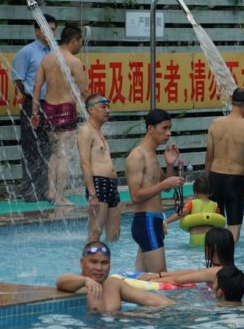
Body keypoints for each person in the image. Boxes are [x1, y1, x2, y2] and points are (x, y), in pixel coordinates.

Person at [31, 24, 89, 205]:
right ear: (74, 40)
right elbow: (84, 91)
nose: (81, 46)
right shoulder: (74, 62)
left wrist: (34, 112)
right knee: (64, 154)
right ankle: (60, 197)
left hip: (48, 107)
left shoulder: (47, 59)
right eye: (81, 42)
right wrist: (88, 112)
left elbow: (36, 87)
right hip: (66, 107)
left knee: (55, 152)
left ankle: (51, 190)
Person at [125, 109, 185, 273]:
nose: (169, 133)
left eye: (169, 128)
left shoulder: (152, 154)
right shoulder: (137, 156)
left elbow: (166, 188)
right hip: (146, 221)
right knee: (161, 277)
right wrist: (165, 184)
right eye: (164, 128)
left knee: (143, 279)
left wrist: (170, 164)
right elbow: (135, 196)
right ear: (150, 129)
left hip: (154, 220)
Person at [205, 87, 244, 243]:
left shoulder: (215, 124)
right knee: (234, 228)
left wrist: (206, 182)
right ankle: (230, 255)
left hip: (215, 178)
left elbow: (209, 157)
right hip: (234, 181)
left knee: (216, 225)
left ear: (232, 100)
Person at [56, 241, 174, 312]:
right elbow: (61, 282)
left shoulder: (114, 284)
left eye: (104, 263)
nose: (99, 268)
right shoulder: (78, 284)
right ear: (82, 263)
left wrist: (176, 308)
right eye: (93, 262)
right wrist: (85, 280)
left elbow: (150, 299)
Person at [12, 14, 57, 202]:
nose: (50, 33)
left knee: (49, 147)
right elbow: (18, 80)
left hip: (53, 104)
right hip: (33, 103)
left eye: (53, 29)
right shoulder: (27, 52)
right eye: (46, 29)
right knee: (31, 146)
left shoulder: (56, 52)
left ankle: (46, 189)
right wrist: (32, 97)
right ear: (37, 31)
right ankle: (30, 190)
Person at [77, 93, 120, 243]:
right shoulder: (86, 131)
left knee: (114, 235)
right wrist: (92, 194)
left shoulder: (99, 132)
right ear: (91, 110)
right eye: (103, 107)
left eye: (108, 107)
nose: (107, 110)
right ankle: (87, 258)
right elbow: (84, 163)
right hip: (98, 185)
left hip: (111, 184)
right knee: (95, 233)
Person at [140, 227, 236, 285]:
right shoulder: (224, 269)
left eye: (206, 245)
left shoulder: (216, 271)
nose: (204, 249)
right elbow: (193, 272)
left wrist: (148, 281)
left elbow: (176, 281)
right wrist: (158, 275)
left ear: (214, 247)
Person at [166, 173, 221, 245]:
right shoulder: (215, 205)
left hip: (195, 238)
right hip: (211, 240)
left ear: (195, 192)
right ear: (211, 192)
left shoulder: (192, 204)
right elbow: (218, 221)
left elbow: (180, 214)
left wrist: (166, 221)